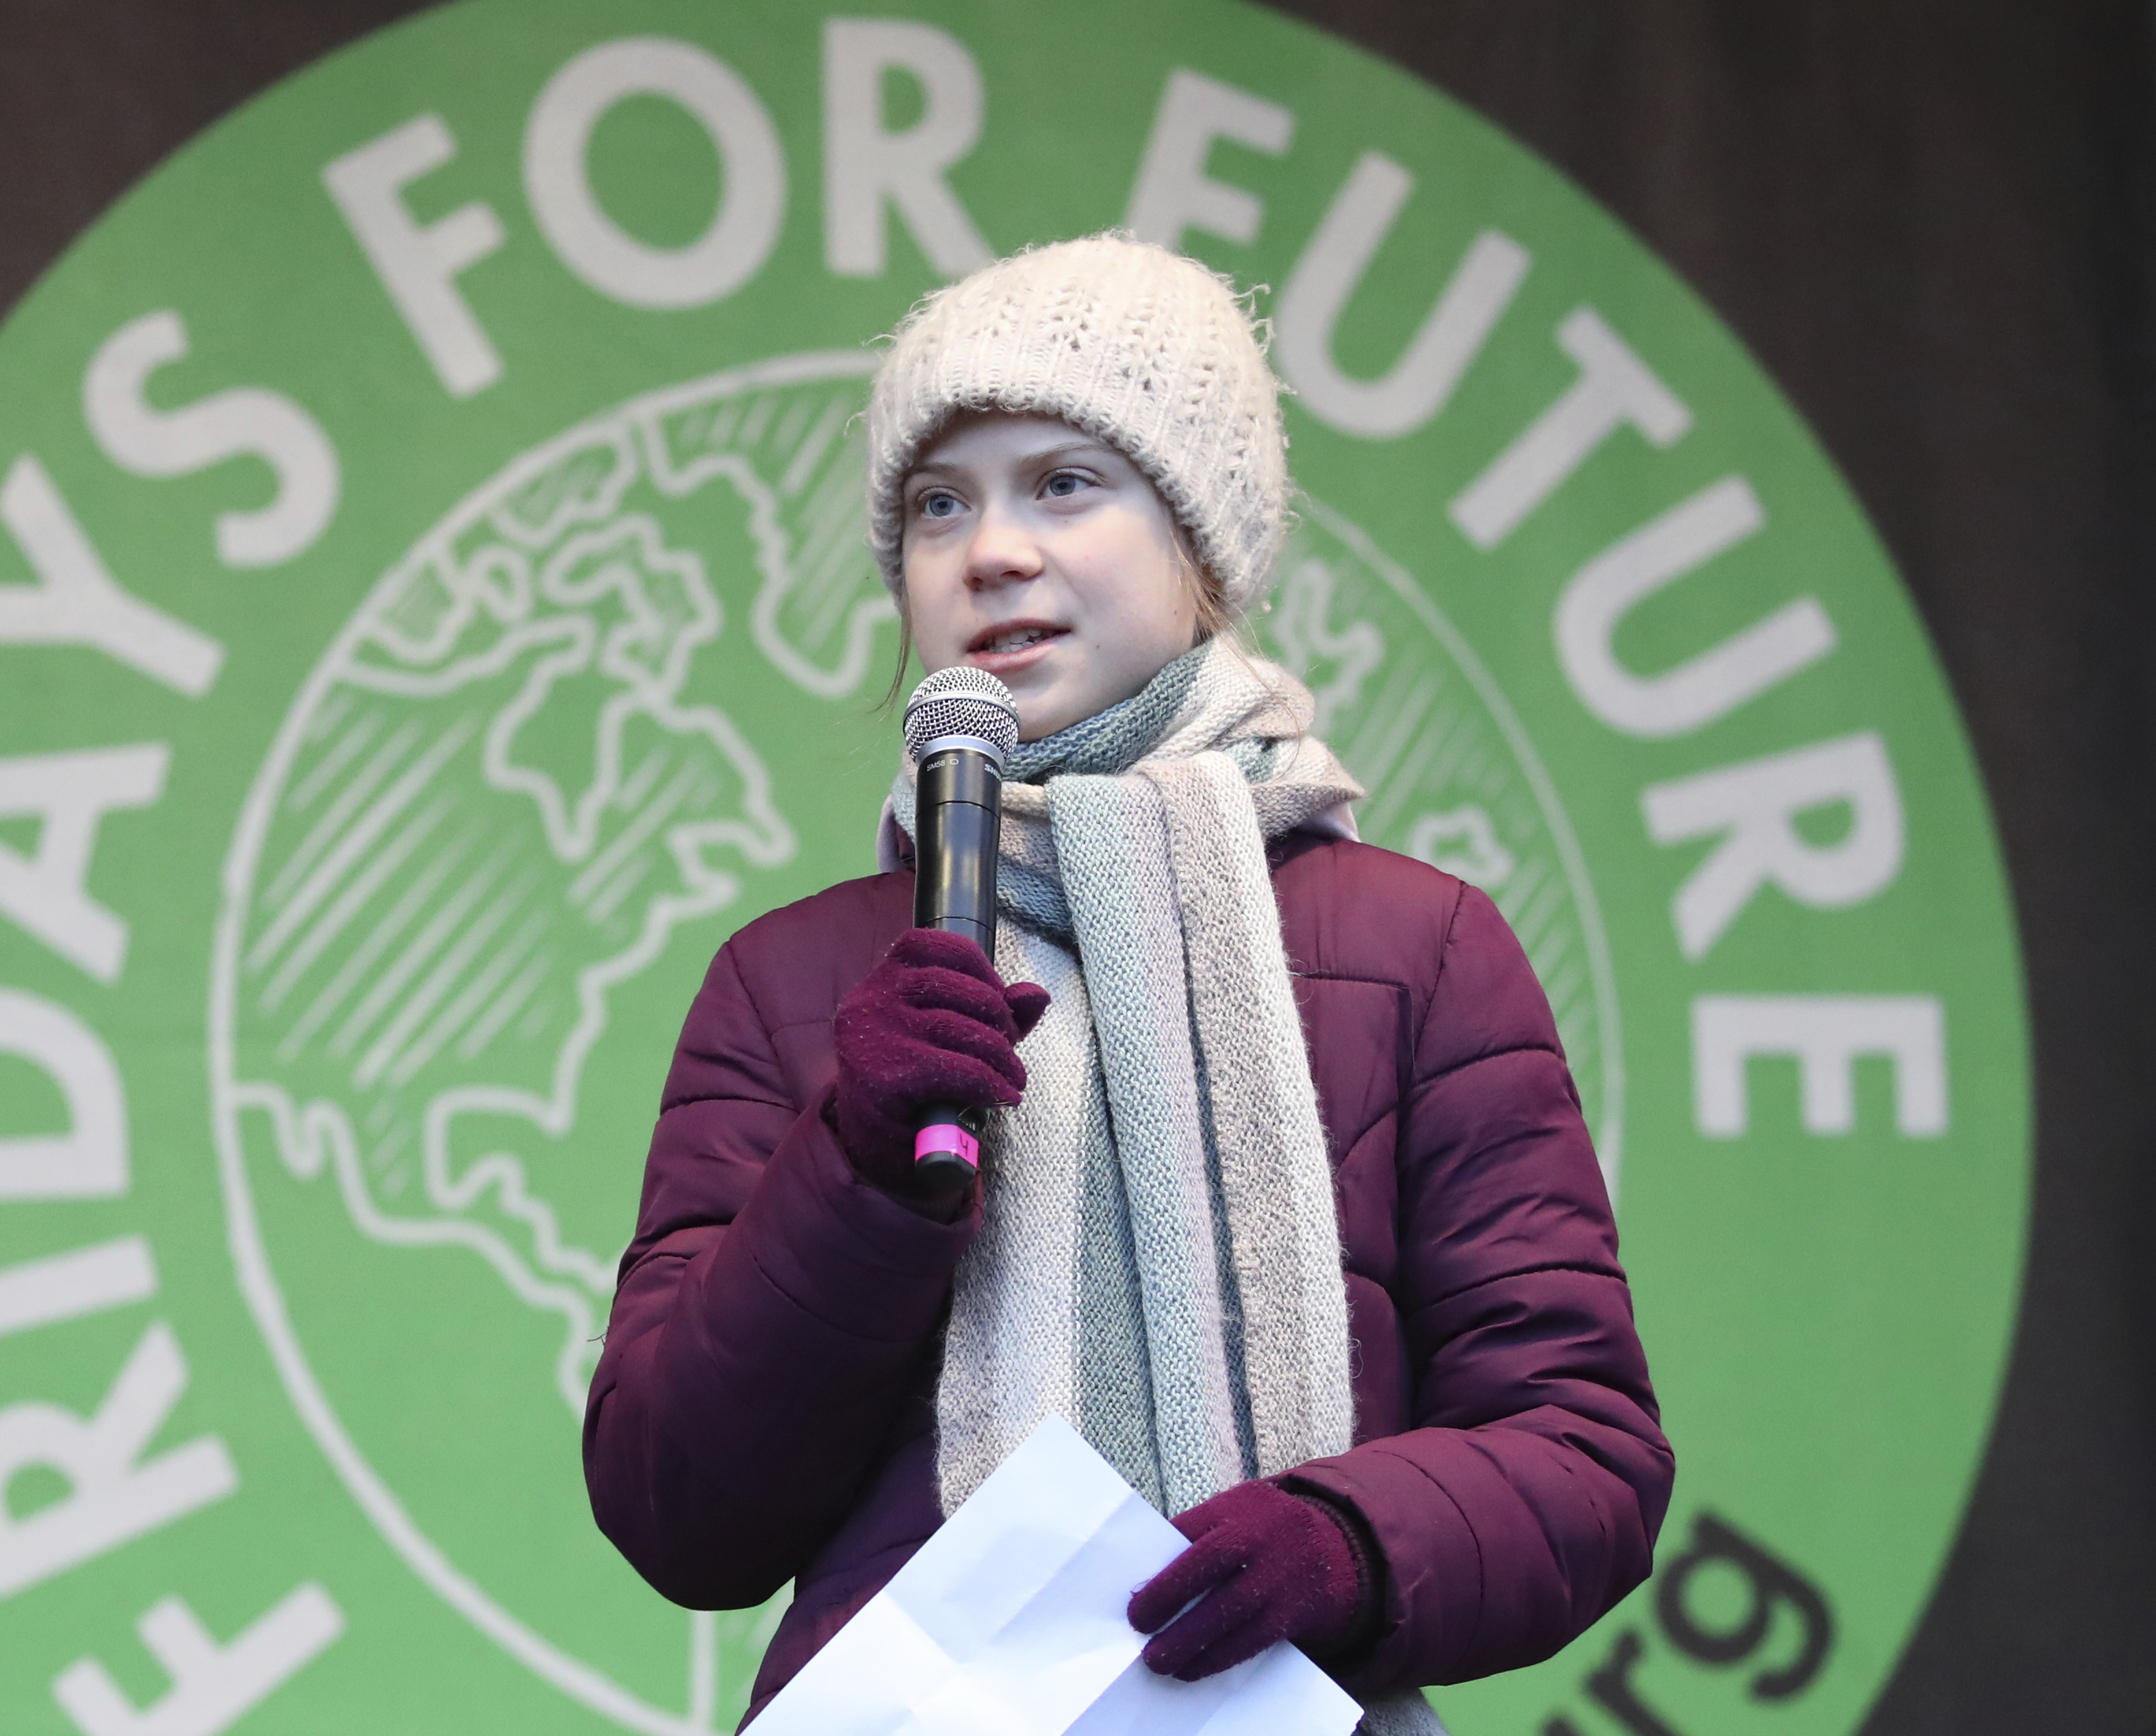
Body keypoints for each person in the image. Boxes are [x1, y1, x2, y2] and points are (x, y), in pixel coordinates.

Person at [583, 233, 1670, 1735]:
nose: (992, 550)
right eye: (936, 502)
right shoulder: (794, 981)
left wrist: (1349, 1541)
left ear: (1205, 546)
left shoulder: (1422, 947)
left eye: (1065, 483)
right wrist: (856, 1173)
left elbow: (1583, 1452)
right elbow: (677, 1506)